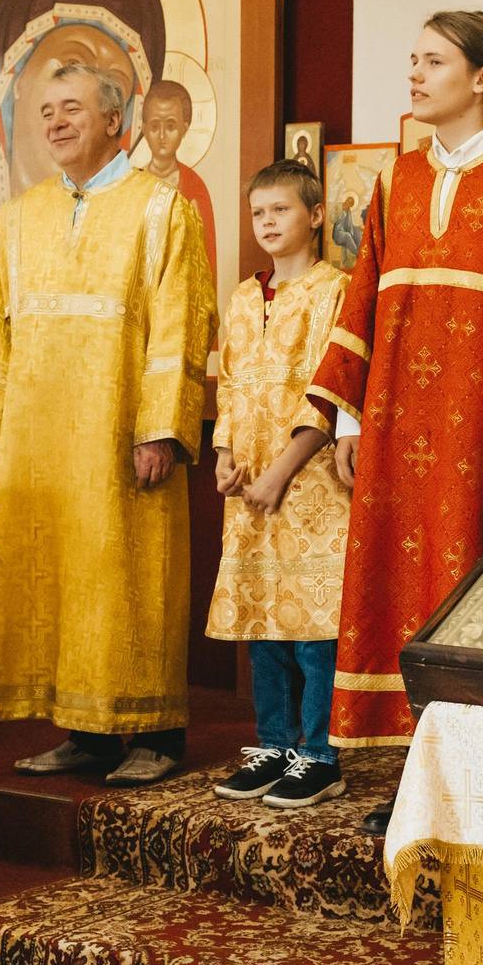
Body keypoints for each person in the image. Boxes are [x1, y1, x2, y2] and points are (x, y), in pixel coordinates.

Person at [308, 10, 483, 834]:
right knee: (399, 593)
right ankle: (415, 780)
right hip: (394, 428)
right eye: (413, 60)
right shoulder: (394, 180)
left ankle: (480, 778)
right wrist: (351, 422)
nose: (416, 75)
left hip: (481, 434)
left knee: (470, 597)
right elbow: (362, 298)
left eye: (434, 61)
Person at [0, 62, 216, 783]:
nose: (55, 122)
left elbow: (180, 322)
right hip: (40, 433)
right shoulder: (23, 213)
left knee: (128, 572)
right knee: (61, 574)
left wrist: (160, 427)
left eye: (70, 108)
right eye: (44, 111)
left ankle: (155, 734)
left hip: (120, 427)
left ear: (116, 120)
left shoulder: (160, 208)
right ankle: (84, 730)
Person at [207, 160, 352, 810]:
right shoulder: (242, 297)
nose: (267, 223)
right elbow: (231, 385)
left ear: (316, 216)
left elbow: (331, 389)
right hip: (251, 482)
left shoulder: (335, 291)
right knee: (263, 621)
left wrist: (279, 470)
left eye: (281, 210)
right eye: (258, 211)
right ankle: (273, 746)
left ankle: (318, 755)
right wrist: (225, 455)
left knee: (312, 623)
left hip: (310, 480)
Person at [137, 79, 218, 280]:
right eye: (155, 126)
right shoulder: (133, 185)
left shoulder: (195, 187)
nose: (162, 135)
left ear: (185, 128)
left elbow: (206, 259)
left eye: (171, 125)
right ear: (144, 129)